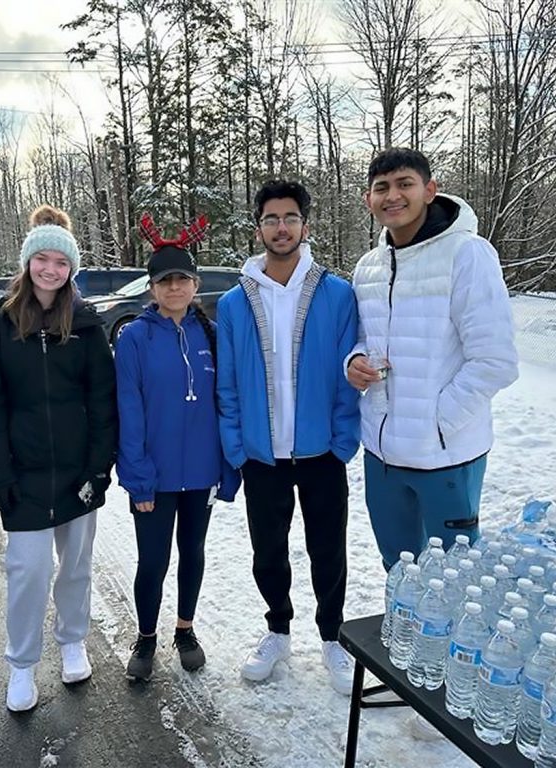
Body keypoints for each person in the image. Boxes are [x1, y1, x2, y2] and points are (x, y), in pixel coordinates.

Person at [0, 205, 117, 713]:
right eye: (42, 260)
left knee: (75, 567)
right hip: (23, 478)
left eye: (61, 262)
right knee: (28, 572)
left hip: (77, 473)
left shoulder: (87, 325)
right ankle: (22, 665)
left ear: (71, 269)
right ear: (28, 262)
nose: (50, 270)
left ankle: (72, 640)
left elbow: (103, 402)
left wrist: (100, 467)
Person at [216, 179, 361, 696]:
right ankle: (277, 629)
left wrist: (344, 439)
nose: (282, 227)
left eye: (291, 218)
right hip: (262, 456)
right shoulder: (235, 302)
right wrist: (237, 445)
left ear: (305, 225)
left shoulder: (337, 294)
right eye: (272, 219)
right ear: (258, 227)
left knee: (329, 548)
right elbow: (227, 381)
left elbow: (349, 370)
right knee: (268, 550)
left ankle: (332, 636)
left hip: (322, 451)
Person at [347, 147, 519, 572]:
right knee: (398, 567)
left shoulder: (467, 254)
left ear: (429, 190)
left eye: (405, 184)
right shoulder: (367, 267)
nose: (392, 196)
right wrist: (354, 362)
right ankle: (404, 639)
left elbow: (495, 359)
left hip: (445, 455)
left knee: (454, 575)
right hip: (383, 455)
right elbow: (361, 337)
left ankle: (451, 641)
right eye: (381, 188)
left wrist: (439, 420)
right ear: (369, 199)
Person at [115, 215, 240, 682]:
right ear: (151, 287)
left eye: (182, 280)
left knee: (193, 551)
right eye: (165, 281)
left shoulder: (210, 334)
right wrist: (137, 477)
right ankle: (146, 636)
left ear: (195, 284)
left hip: (202, 472)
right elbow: (129, 412)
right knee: (153, 560)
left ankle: (184, 628)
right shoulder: (135, 338)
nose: (174, 288)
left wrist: (229, 466)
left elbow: (227, 403)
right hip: (155, 476)